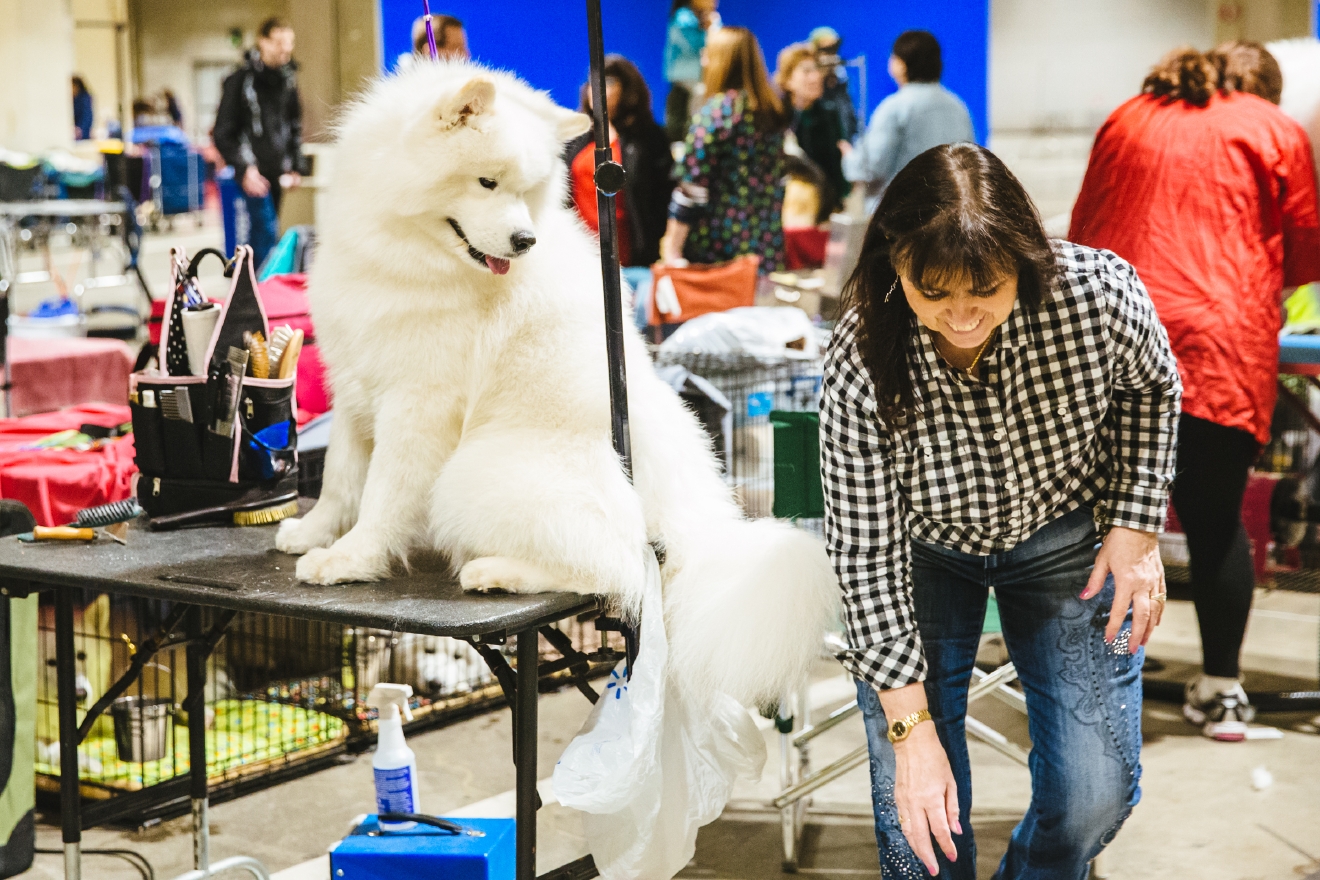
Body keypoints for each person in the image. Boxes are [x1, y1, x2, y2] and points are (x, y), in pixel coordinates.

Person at [822, 142, 1181, 878]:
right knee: (915, 818)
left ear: (1022, 256)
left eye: (984, 289)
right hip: (919, 558)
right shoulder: (860, 355)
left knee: (1095, 793)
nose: (960, 317)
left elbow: (1154, 388)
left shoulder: (1099, 294)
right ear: (896, 266)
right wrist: (911, 731)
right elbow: (864, 554)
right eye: (933, 292)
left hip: (1068, 539)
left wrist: (1137, 525)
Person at [1069, 43, 1320, 740]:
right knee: (1214, 524)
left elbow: (1084, 234)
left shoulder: (1128, 117)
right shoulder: (1272, 128)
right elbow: (1305, 248)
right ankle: (1221, 691)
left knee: (1110, 525)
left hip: (1118, 337)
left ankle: (1089, 688)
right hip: (1218, 345)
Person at [663, 26, 789, 273]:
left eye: (708, 53)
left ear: (722, 60)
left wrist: (672, 248)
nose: (703, 59)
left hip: (720, 255)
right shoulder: (770, 112)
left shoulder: (716, 114)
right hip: (767, 251)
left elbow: (692, 188)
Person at [566, 55, 673, 331]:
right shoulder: (576, 138)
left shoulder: (649, 138)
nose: (597, 87)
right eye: (592, 81)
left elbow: (663, 198)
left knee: (635, 334)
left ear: (628, 89)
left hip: (634, 261)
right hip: (583, 259)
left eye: (609, 81)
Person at [841, 31, 975, 214]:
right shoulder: (959, 107)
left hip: (900, 218)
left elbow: (871, 166)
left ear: (901, 64)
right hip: (949, 215)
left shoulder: (894, 107)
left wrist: (849, 157)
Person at [213, 16, 306, 269]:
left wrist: (296, 165)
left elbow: (294, 126)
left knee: (271, 234)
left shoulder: (288, 81)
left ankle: (255, 288)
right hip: (251, 172)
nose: (284, 48)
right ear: (262, 42)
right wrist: (244, 169)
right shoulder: (240, 81)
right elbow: (223, 132)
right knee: (263, 233)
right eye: (277, 42)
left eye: (289, 42)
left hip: (278, 172)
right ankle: (256, 292)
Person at [776, 42, 848, 212]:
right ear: (787, 80)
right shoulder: (777, 120)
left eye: (817, 70)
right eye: (806, 71)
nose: (815, 77)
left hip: (826, 210)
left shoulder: (829, 114)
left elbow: (836, 169)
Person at [663, 0, 716, 142]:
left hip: (703, 82)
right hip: (684, 83)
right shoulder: (683, 17)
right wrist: (709, 28)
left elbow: (717, 48)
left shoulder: (711, 18)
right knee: (682, 130)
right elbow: (697, 46)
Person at [808, 26, 858, 141]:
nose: (832, 56)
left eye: (834, 50)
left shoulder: (843, 83)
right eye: (826, 51)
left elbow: (851, 121)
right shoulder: (811, 89)